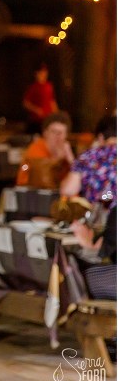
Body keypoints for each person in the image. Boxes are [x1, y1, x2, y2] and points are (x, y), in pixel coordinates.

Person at [61, 115, 116, 300]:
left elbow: (68, 190)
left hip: (100, 221)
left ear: (100, 137)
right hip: (107, 220)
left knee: (79, 270)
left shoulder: (91, 156)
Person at [16, 112, 74, 188]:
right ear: (45, 133)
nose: (57, 137)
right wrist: (58, 159)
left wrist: (71, 160)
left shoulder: (66, 152)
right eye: (53, 132)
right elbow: (44, 182)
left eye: (60, 133)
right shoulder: (36, 149)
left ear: (66, 135)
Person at [22, 63, 59, 134]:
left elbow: (52, 101)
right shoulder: (33, 87)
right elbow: (25, 103)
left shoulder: (49, 86)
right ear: (36, 74)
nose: (43, 74)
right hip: (36, 122)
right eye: (41, 72)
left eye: (45, 72)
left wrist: (57, 114)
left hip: (48, 120)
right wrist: (36, 110)